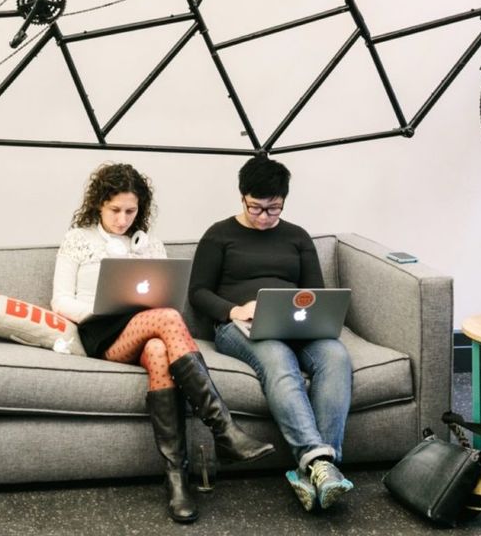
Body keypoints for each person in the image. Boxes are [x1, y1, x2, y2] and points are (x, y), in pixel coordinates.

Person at [52, 162, 274, 524]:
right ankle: (225, 430)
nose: (123, 219)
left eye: (131, 211)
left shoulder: (150, 243)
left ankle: (177, 481)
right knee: (170, 319)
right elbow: (59, 301)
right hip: (101, 332)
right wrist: (102, 307)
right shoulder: (78, 238)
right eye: (115, 211)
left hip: (148, 331)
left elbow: (166, 296)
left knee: (159, 347)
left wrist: (138, 261)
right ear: (98, 205)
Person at [188, 156, 354, 512]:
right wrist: (234, 310)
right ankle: (317, 461)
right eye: (256, 208)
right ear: (242, 197)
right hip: (238, 327)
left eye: (273, 209)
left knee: (336, 355)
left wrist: (309, 315)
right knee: (276, 357)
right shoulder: (219, 234)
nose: (264, 217)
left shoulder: (296, 237)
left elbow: (316, 292)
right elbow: (198, 292)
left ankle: (318, 472)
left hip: (298, 326)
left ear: (284, 200)